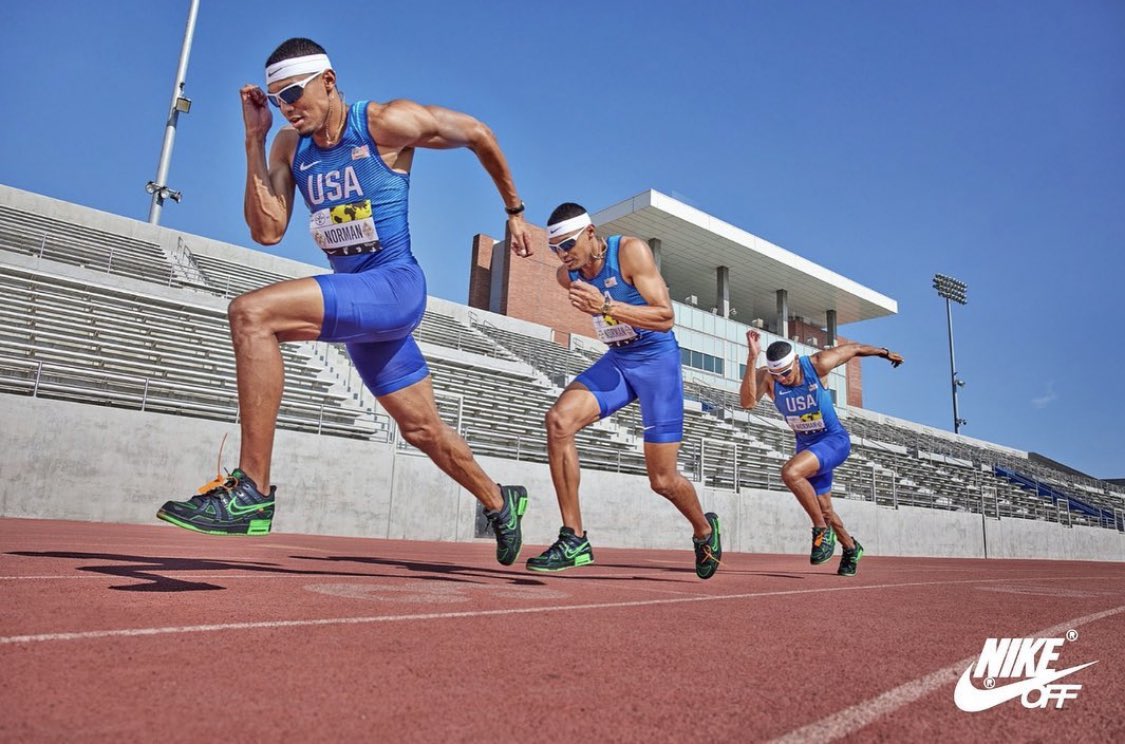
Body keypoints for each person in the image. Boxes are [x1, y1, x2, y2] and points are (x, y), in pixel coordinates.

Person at [158, 38, 532, 566]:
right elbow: (268, 230)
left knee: (251, 314)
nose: (287, 107)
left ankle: (252, 490)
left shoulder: (382, 123)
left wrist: (514, 211)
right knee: (422, 429)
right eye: (277, 98)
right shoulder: (289, 145)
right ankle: (499, 501)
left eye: (294, 93)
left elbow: (477, 133)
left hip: (394, 286)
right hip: (361, 308)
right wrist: (254, 140)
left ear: (328, 82)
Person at [524, 203, 722, 578]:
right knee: (558, 422)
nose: (563, 255)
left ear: (590, 232)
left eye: (567, 244)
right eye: (555, 249)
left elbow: (665, 317)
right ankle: (574, 538)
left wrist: (606, 305)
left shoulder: (630, 251)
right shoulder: (567, 275)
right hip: (619, 360)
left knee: (662, 480)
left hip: (657, 363)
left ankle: (704, 530)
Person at [740, 329, 903, 576]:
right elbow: (747, 403)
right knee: (824, 508)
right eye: (776, 374)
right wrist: (753, 358)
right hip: (807, 446)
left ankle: (821, 531)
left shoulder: (817, 364)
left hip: (833, 440)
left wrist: (885, 353)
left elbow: (854, 349)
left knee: (791, 473)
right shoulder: (769, 377)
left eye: (786, 373)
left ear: (796, 361)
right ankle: (851, 548)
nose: (782, 379)